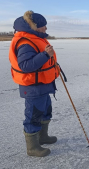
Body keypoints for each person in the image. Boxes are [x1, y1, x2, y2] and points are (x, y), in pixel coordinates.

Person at [9, 11, 59, 157]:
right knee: (33, 116)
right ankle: (32, 147)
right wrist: (45, 55)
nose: (46, 29)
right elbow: (25, 66)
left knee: (45, 111)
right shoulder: (25, 42)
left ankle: (43, 137)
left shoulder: (35, 38)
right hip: (33, 88)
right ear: (36, 27)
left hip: (42, 85)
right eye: (44, 26)